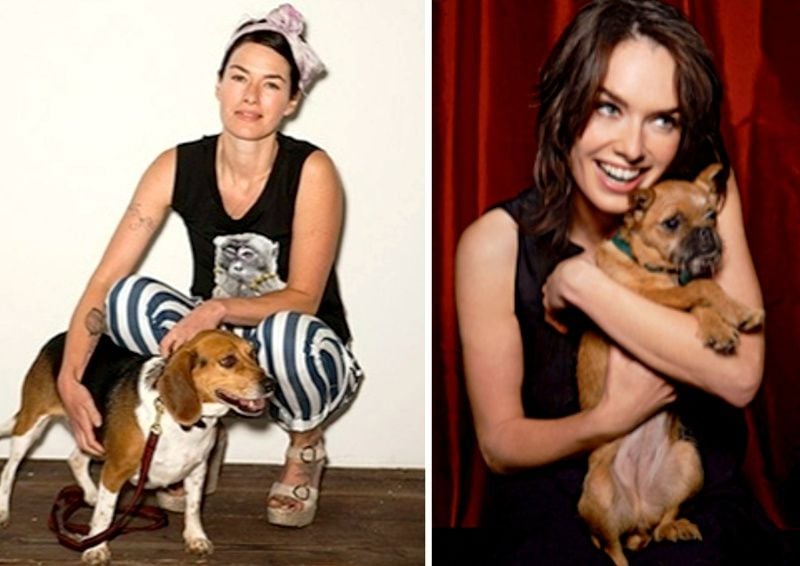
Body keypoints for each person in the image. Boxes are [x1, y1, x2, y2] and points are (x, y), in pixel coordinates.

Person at [455, 0, 784, 563]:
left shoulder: (703, 202)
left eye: (664, 119)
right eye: (608, 108)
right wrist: (607, 420)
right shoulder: (494, 242)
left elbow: (739, 377)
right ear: (564, 105)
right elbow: (500, 445)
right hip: (564, 502)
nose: (633, 148)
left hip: (689, 499)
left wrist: (587, 287)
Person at [55, 3, 362, 529]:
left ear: (292, 101)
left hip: (303, 350)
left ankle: (304, 447)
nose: (250, 96)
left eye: (271, 84)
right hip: (218, 347)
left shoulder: (311, 169)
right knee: (126, 299)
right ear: (218, 85)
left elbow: (304, 297)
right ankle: (194, 437)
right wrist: (69, 375)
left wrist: (216, 308)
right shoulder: (176, 165)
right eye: (239, 77)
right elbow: (105, 281)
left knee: (286, 331)